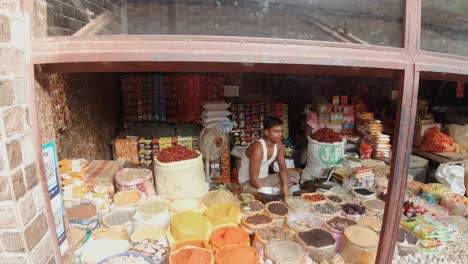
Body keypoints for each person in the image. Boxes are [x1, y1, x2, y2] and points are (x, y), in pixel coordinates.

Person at [238, 116, 299, 197]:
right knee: (254, 193)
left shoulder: (278, 144)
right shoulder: (258, 148)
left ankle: (275, 190)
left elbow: (283, 169)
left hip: (265, 180)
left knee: (294, 174)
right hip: (248, 183)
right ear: (267, 132)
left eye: (281, 131)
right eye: (276, 131)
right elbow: (253, 179)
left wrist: (285, 189)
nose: (280, 134)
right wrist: (268, 195)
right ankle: (272, 192)